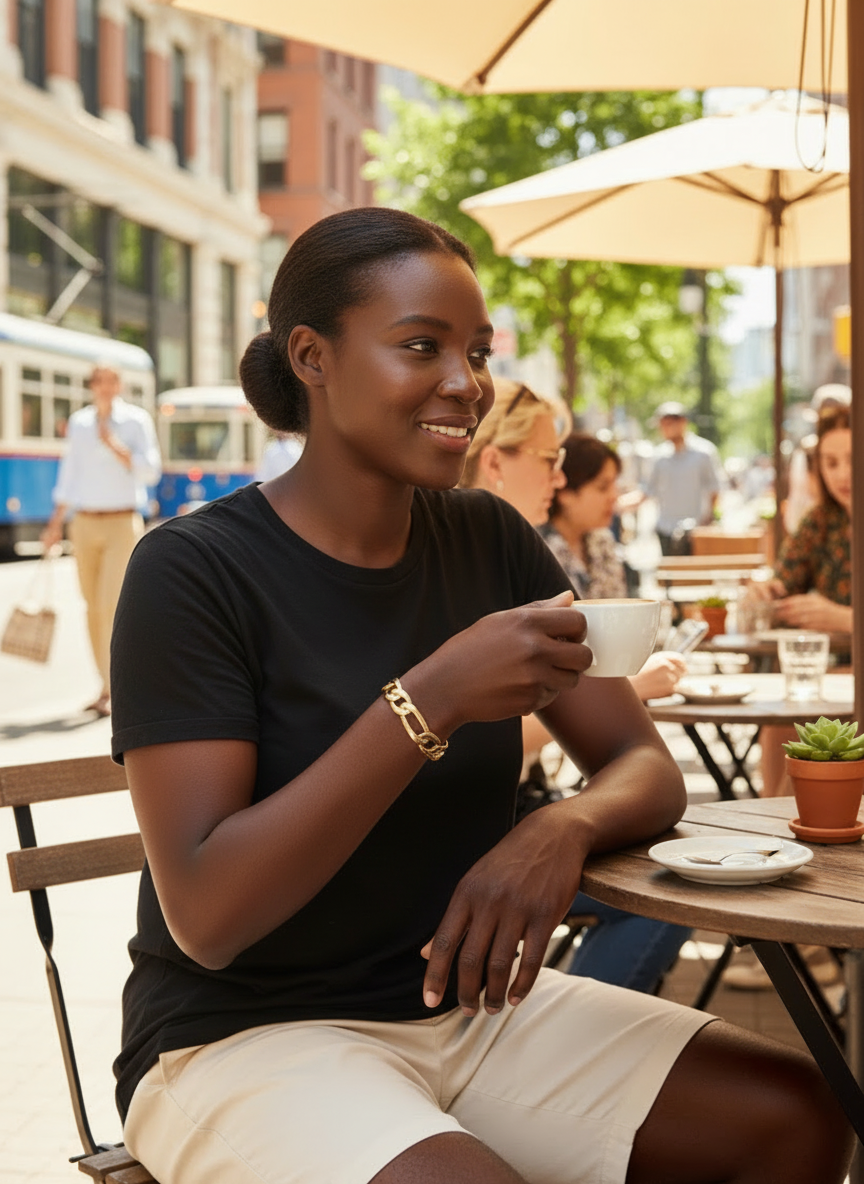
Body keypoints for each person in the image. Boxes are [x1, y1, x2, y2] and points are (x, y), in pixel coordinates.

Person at [109, 208, 851, 1184]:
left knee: (798, 1116)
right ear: (311, 356)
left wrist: (558, 830)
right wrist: (430, 699)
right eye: (423, 346)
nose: (467, 382)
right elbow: (208, 910)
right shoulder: (193, 571)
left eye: (478, 350)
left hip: (470, 1007)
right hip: (245, 1034)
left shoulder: (488, 541)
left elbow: (643, 769)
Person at [464, 416, 689, 993]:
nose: (558, 477)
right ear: (494, 462)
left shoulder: (511, 547)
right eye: (547, 457)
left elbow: (645, 764)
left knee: (677, 871)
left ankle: (558, 1015)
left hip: (528, 806)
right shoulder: (498, 550)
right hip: (484, 835)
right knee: (668, 886)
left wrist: (566, 822)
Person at [41, 363, 161, 717]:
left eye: (111, 382)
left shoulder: (136, 421)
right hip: (85, 523)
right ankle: (106, 685)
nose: (105, 388)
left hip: (122, 522)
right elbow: (70, 475)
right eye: (99, 382)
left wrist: (114, 444)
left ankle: (120, 687)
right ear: (92, 386)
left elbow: (150, 469)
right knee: (92, 607)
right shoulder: (79, 424)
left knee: (113, 605)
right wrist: (54, 524)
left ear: (119, 385)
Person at [644, 401, 725, 555]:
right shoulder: (659, 456)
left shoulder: (704, 453)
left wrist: (707, 520)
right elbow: (649, 490)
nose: (663, 430)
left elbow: (715, 489)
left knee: (695, 576)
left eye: (667, 424)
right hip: (666, 529)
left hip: (695, 530)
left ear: (682, 423)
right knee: (670, 576)